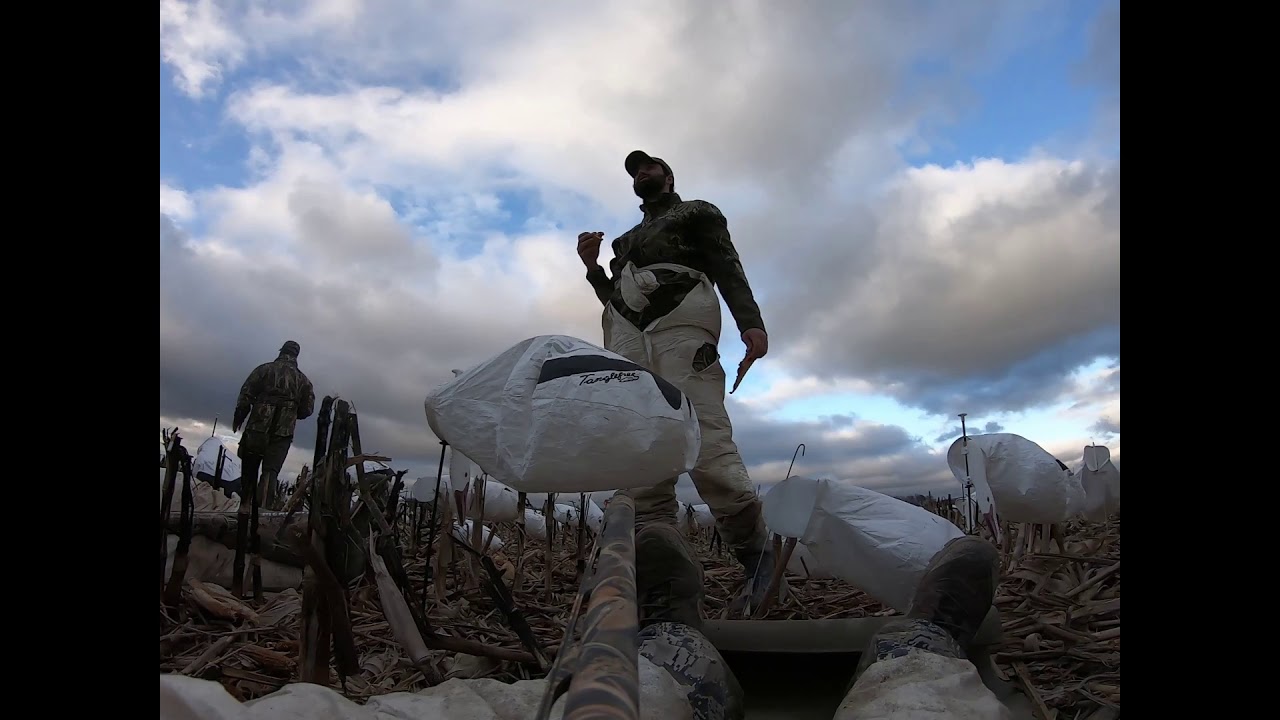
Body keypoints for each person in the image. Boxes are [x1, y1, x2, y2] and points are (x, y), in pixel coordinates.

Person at [576, 150, 773, 607]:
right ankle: (658, 566)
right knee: (640, 439)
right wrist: (591, 267)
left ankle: (758, 559)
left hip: (682, 326)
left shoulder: (696, 213)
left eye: (649, 167)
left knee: (703, 433)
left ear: (667, 176)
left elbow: (726, 265)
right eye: (634, 171)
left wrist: (751, 321)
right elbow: (614, 297)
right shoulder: (624, 242)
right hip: (628, 338)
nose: (641, 173)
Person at [232, 341, 316, 508]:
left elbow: (246, 394)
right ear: (296, 355)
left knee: (250, 467)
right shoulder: (304, 381)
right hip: (282, 433)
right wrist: (291, 412)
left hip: (257, 426)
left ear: (281, 351)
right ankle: (262, 513)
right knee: (270, 472)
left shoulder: (264, 369)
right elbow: (307, 410)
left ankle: (244, 508)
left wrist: (240, 416)